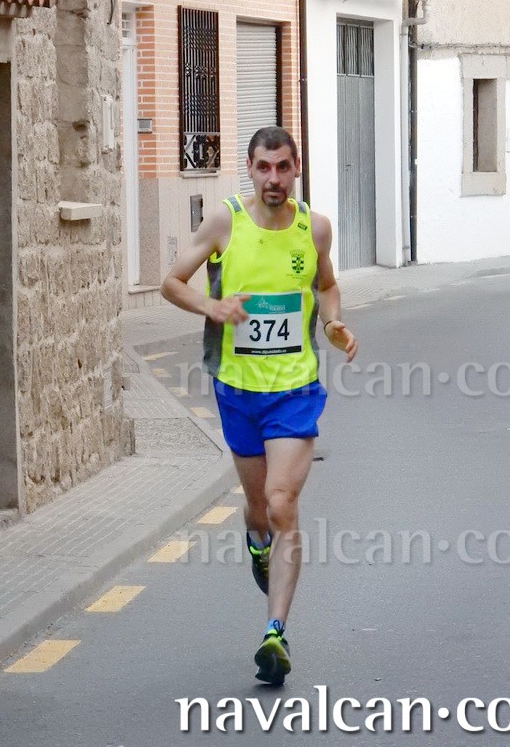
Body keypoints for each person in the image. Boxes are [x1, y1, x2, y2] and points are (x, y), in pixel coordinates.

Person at [161, 126, 357, 685]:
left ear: (297, 170)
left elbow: (326, 284)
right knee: (257, 510)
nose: (274, 179)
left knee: (281, 503)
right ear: (250, 169)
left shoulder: (314, 227)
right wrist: (212, 306)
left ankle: (276, 633)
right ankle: (256, 544)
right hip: (238, 390)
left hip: (294, 390)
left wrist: (333, 321)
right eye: (264, 168)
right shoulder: (224, 222)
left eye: (283, 168)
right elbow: (171, 283)